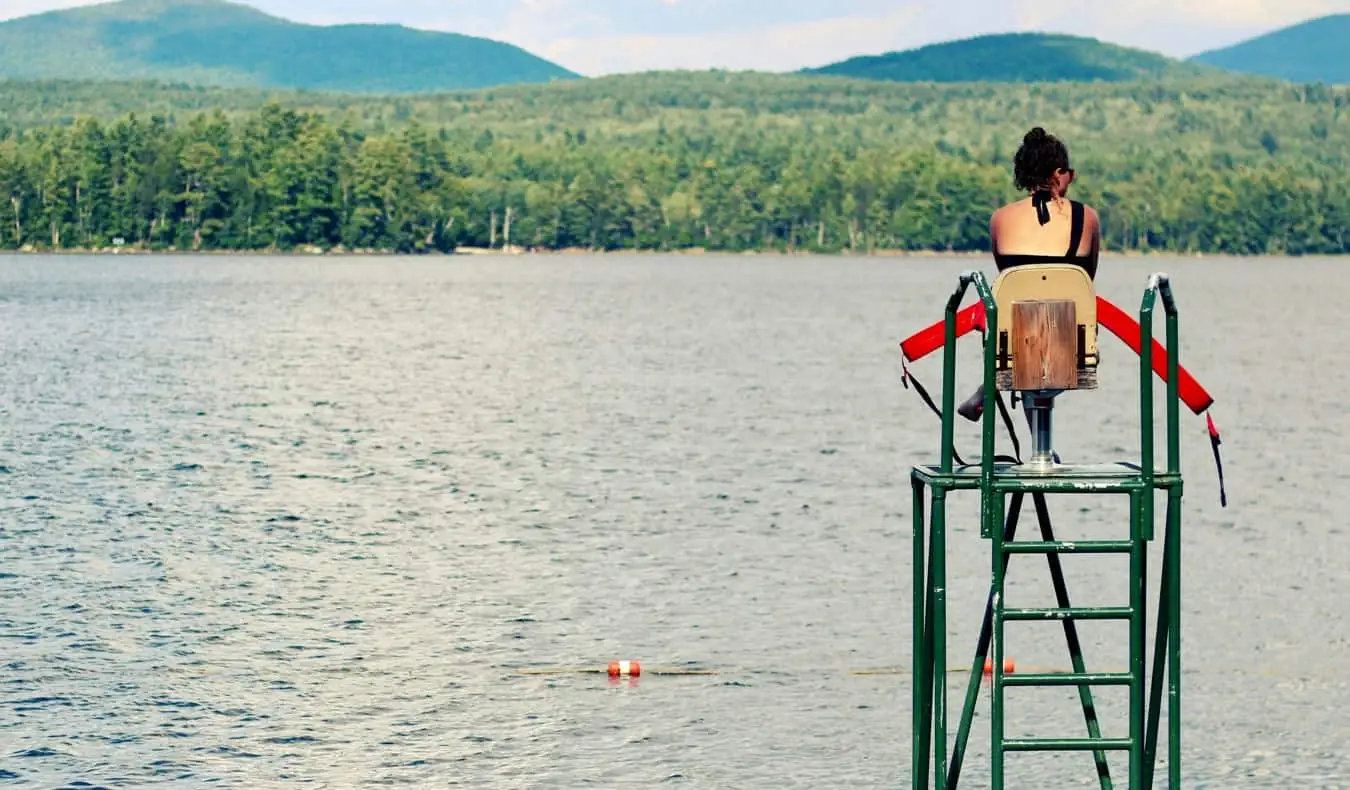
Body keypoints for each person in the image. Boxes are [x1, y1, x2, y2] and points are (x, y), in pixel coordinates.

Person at [956, 126, 1102, 422]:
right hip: (1073, 345)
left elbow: (1010, 283)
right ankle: (1043, 449)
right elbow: (1087, 279)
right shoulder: (1086, 217)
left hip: (1014, 346)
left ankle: (991, 389)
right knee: (1039, 330)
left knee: (1024, 331)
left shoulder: (1000, 218)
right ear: (1060, 173)